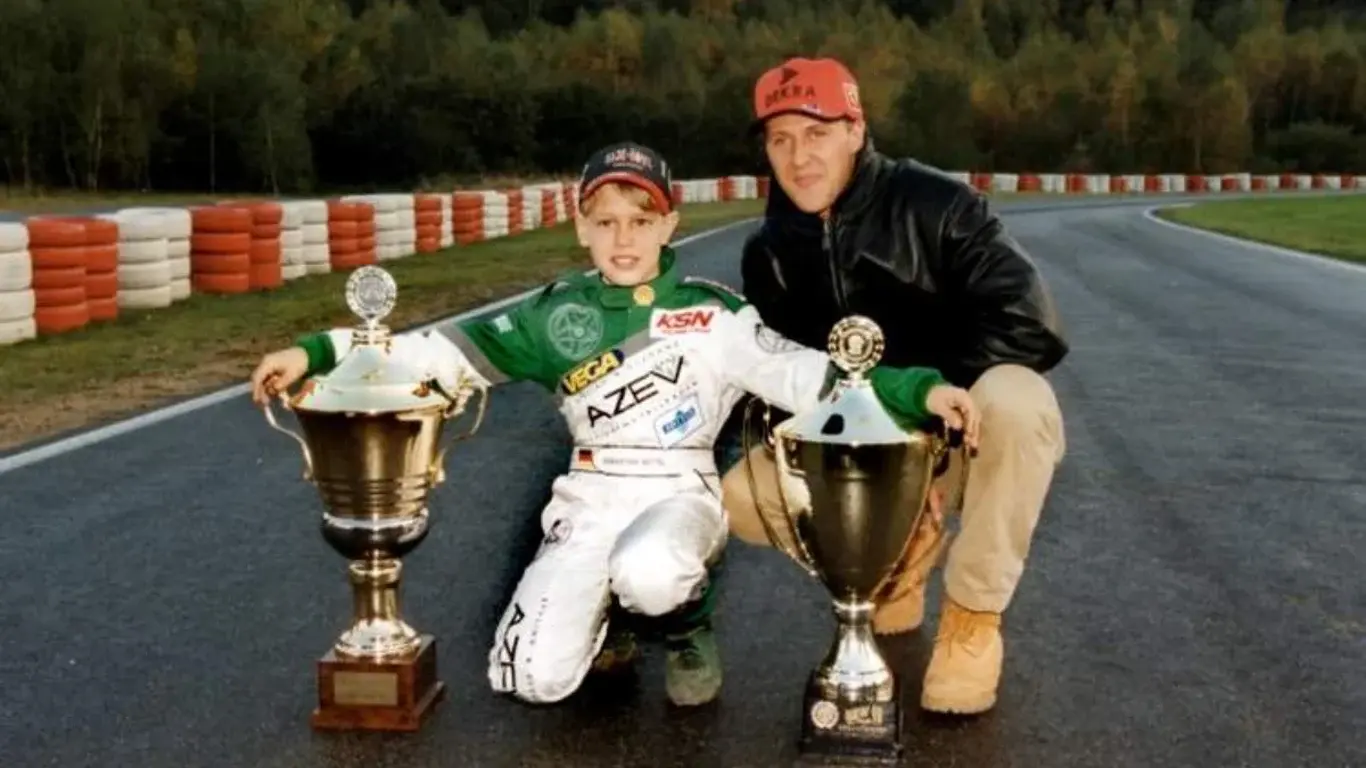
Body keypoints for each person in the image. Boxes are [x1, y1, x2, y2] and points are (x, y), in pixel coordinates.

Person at [249, 141, 982, 710]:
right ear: (581, 226)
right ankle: (612, 614)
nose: (623, 240)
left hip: (679, 493)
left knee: (652, 571)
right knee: (526, 679)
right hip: (589, 496)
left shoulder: (714, 312)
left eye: (640, 220)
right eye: (605, 222)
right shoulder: (549, 313)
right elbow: (435, 355)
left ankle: (684, 624)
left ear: (669, 222)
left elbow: (814, 373)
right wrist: (318, 350)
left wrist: (921, 391)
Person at [718, 57, 1069, 716]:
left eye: (817, 133)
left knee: (1021, 402)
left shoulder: (938, 205)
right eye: (781, 140)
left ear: (856, 129)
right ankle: (891, 561)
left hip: (961, 431)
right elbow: (775, 385)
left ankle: (972, 618)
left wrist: (928, 437)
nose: (799, 157)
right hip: (863, 455)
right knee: (742, 496)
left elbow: (1034, 326)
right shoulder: (767, 252)